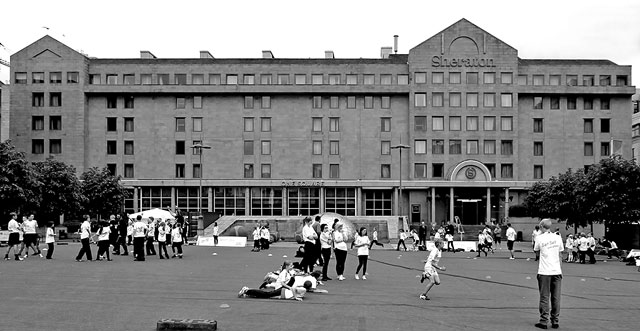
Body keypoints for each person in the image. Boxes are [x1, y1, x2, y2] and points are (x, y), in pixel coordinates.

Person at [533, 219, 563, 330]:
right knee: (556, 298)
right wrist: (559, 269)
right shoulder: (557, 237)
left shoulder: (539, 238)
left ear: (541, 226)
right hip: (556, 270)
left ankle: (544, 320)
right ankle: (555, 320)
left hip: (545, 271)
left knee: (544, 297)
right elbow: (560, 254)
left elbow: (537, 251)